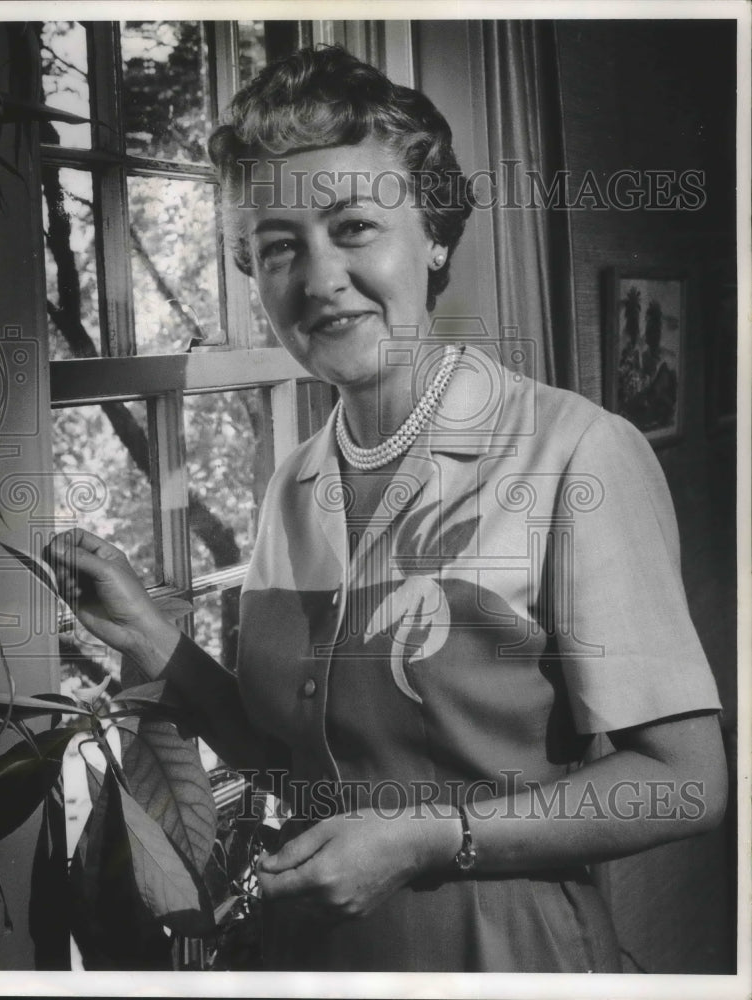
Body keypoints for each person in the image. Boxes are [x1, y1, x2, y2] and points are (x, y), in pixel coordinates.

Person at [46, 46, 727, 973]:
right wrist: (145, 636)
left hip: (502, 956)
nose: (318, 277)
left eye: (354, 226)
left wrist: (425, 839)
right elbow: (295, 762)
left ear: (435, 235)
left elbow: (685, 783)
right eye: (277, 247)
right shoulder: (293, 482)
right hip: (314, 957)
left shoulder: (573, 452)